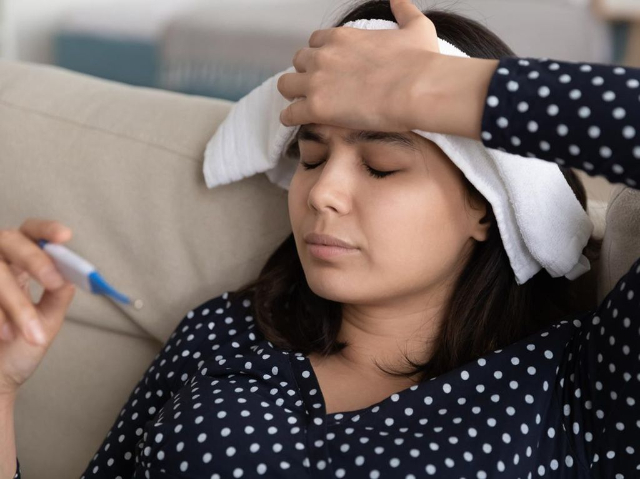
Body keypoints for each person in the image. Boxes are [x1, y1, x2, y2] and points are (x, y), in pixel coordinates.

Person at [1, 0, 638, 477]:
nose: (321, 192)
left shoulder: (573, 384)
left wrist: (444, 88)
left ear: (488, 207)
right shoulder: (223, 333)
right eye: (310, 157)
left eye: (380, 166)